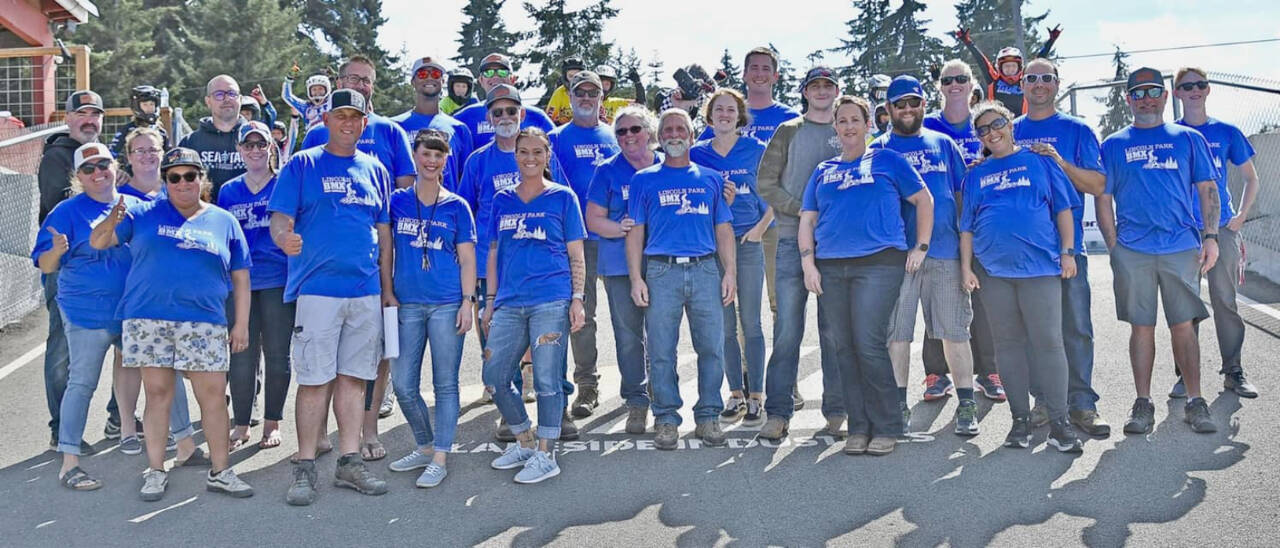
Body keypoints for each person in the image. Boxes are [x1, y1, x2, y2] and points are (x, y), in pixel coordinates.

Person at [90, 147, 255, 500]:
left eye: (190, 175)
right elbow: (99, 241)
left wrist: (240, 323)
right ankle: (155, 470)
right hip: (149, 318)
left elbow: (241, 276)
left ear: (201, 179)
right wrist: (111, 219)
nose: (183, 183)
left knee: (212, 397)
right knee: (158, 394)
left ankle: (221, 471)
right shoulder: (141, 213)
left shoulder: (223, 221)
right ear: (165, 182)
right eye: (174, 177)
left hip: (205, 321)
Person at [269, 89, 393, 505]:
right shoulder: (303, 164)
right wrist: (284, 237)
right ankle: (304, 466)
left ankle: (349, 461)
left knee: (355, 379)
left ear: (364, 122)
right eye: (340, 115)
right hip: (318, 289)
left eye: (355, 117)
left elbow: (383, 233)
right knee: (314, 380)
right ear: (326, 120)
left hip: (365, 291)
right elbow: (281, 217)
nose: (348, 123)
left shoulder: (375, 169)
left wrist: (386, 287)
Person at [800, 95, 933, 455]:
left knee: (869, 342)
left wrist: (920, 246)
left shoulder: (889, 160)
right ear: (835, 128)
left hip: (878, 263)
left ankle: (887, 425)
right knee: (842, 346)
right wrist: (808, 263)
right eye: (841, 121)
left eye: (854, 120)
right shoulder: (823, 169)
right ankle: (858, 426)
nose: (848, 126)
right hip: (831, 266)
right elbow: (808, 219)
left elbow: (924, 200)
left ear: (868, 124)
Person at [1096, 67, 1221, 435]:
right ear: (1128, 99)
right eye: (1138, 93)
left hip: (1180, 246)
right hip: (1133, 249)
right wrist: (1113, 245)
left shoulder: (1188, 139)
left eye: (1153, 91)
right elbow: (1104, 198)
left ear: (1166, 96)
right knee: (1142, 327)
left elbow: (1207, 190)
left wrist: (1210, 237)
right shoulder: (1115, 144)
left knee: (1184, 325)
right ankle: (1143, 403)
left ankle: (1195, 400)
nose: (1146, 98)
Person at [301, 55, 416, 449]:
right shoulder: (317, 135)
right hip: (325, 265)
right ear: (336, 81)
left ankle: (368, 431)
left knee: (374, 350)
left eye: (366, 81)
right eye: (352, 78)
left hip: (380, 255)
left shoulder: (390, 131)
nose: (360, 85)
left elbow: (402, 193)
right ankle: (316, 434)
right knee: (325, 354)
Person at [960, 101, 1083, 452]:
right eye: (982, 130)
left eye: (996, 123)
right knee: (1008, 346)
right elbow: (966, 226)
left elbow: (1063, 208)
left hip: (1040, 269)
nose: (991, 132)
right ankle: (1020, 422)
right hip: (994, 273)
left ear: (1010, 123)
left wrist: (1068, 252)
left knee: (1049, 343)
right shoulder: (976, 175)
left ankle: (1060, 424)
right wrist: (967, 267)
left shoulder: (1040, 162)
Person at [869, 76, 977, 436]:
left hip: (944, 252)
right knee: (897, 334)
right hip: (896, 258)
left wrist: (966, 255)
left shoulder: (943, 144)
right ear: (888, 110)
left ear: (923, 104)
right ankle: (898, 406)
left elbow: (962, 198)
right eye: (899, 104)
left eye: (914, 101)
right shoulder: (878, 149)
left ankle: (966, 404)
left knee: (954, 331)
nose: (907, 109)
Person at [459, 84, 569, 433]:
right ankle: (512, 411)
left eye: (511, 111)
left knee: (550, 340)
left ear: (522, 114)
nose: (505, 117)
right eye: (497, 112)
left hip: (542, 265)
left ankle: (559, 409)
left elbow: (563, 203)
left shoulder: (539, 152)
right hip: (493, 265)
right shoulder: (478, 161)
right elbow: (464, 210)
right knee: (500, 343)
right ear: (488, 118)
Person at [482, 128, 587, 483]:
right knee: (494, 376)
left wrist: (577, 298)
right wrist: (490, 301)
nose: (530, 158)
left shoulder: (563, 197)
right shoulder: (502, 199)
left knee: (545, 379)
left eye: (537, 153)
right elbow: (494, 252)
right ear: (515, 155)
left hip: (551, 299)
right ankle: (525, 438)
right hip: (510, 302)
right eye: (523, 152)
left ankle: (546, 453)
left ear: (547, 156)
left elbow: (576, 252)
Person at [626, 108, 735, 450]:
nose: (674, 134)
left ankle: (708, 416)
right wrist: (635, 278)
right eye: (668, 129)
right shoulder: (644, 180)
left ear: (691, 135)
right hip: (661, 270)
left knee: (711, 348)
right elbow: (635, 232)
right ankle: (667, 419)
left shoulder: (711, 178)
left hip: (705, 269)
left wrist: (729, 270)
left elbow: (723, 228)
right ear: (660, 136)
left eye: (681, 129)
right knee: (661, 350)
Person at [1013, 58, 1111, 436]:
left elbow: (1098, 185)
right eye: (1031, 78)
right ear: (1022, 84)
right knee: (1035, 330)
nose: (1039, 84)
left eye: (1046, 78)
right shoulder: (1009, 129)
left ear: (1057, 84)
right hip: (1025, 251)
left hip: (1067, 248)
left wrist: (1059, 162)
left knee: (1076, 327)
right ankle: (1045, 402)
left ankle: (1082, 404)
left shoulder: (1078, 129)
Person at [34, 143, 140, 490]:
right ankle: (69, 463)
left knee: (153, 374)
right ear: (77, 176)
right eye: (88, 169)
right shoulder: (66, 211)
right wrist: (56, 251)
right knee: (82, 383)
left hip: (130, 309)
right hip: (86, 314)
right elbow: (46, 265)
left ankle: (175, 445)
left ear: (115, 166)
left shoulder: (133, 205)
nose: (98, 173)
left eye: (103, 165)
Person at [756, 67, 845, 439]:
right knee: (788, 330)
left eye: (829, 86)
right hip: (792, 241)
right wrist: (802, 209)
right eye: (815, 86)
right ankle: (777, 412)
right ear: (805, 92)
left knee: (834, 332)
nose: (822, 91)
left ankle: (838, 410)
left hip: (837, 246)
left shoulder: (848, 128)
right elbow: (765, 183)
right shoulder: (789, 131)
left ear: (837, 91)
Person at [386, 130, 476, 488]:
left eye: (439, 156)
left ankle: (440, 455)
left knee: (445, 385)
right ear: (415, 154)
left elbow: (468, 258)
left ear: (447, 159)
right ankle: (424, 445)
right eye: (427, 154)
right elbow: (385, 250)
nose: (432, 161)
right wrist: (387, 291)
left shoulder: (456, 205)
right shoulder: (397, 201)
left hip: (446, 303)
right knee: (403, 384)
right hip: (406, 303)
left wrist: (468, 302)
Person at [1171, 66, 1260, 399]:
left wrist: (1240, 217)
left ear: (1208, 90)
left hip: (1220, 229)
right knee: (1184, 306)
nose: (1194, 90)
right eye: (1187, 85)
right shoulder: (1170, 134)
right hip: (1183, 233)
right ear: (1176, 93)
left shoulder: (1227, 132)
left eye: (1200, 84)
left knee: (1225, 301)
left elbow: (1252, 178)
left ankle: (1233, 370)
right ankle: (1185, 374)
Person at [36, 90, 118, 452]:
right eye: (81, 113)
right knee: (63, 350)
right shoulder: (57, 157)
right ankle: (61, 431)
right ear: (67, 118)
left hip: (110, 269)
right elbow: (60, 211)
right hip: (68, 269)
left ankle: (120, 419)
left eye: (95, 114)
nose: (89, 120)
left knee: (124, 347)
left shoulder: (107, 157)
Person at [921, 59, 1005, 403]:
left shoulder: (985, 125)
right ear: (939, 87)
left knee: (982, 301)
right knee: (935, 303)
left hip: (981, 227)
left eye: (961, 79)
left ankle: (988, 370)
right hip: (939, 229)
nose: (954, 84)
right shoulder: (927, 127)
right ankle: (936, 373)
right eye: (947, 79)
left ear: (973, 85)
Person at [690, 88, 771, 426]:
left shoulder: (756, 150)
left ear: (740, 116)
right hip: (714, 246)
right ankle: (735, 393)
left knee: (750, 320)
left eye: (731, 110)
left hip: (748, 240)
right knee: (723, 325)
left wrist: (760, 229)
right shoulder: (698, 154)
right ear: (709, 117)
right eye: (718, 110)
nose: (724, 115)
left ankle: (757, 396)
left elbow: (773, 194)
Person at [216, 121, 294, 450]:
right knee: (242, 355)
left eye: (260, 144)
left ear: (270, 147)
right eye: (247, 145)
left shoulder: (284, 184)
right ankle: (242, 422)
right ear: (239, 150)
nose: (255, 150)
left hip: (277, 280)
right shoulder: (229, 191)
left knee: (277, 355)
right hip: (241, 283)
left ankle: (272, 422)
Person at [585, 106, 661, 434]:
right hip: (617, 265)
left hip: (661, 262)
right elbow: (594, 219)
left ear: (649, 132)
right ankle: (636, 399)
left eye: (635, 129)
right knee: (629, 336)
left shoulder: (666, 164)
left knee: (662, 333)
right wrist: (621, 228)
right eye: (621, 132)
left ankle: (663, 395)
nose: (629, 136)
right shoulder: (607, 171)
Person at [549, 71, 620, 419]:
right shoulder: (556, 138)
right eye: (580, 92)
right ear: (570, 96)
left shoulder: (615, 135)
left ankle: (642, 382)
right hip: (576, 239)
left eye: (593, 92)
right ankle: (587, 385)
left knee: (629, 313)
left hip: (615, 236)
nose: (587, 97)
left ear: (602, 98)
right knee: (581, 314)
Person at [390, 56, 475, 193]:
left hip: (447, 210)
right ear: (413, 81)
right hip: (406, 211)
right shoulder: (394, 126)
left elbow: (468, 181)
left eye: (435, 74)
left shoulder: (459, 129)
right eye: (422, 74)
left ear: (442, 81)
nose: (429, 78)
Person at [452, 52, 555, 151]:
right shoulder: (464, 118)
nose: (495, 76)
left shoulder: (537, 117)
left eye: (502, 72)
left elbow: (557, 153)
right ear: (481, 81)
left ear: (513, 79)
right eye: (488, 72)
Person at [955, 25, 1062, 116]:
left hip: (1021, 126)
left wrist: (1051, 40)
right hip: (998, 127)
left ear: (1020, 67)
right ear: (1000, 68)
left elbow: (1039, 59)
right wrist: (967, 41)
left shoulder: (1025, 79)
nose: (1010, 69)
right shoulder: (994, 80)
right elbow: (981, 61)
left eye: (1013, 66)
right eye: (1006, 66)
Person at [179, 75, 248, 201]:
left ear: (241, 99)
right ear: (208, 101)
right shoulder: (190, 143)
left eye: (232, 94)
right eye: (219, 94)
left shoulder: (259, 140)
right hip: (204, 216)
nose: (227, 99)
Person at [109, 85, 168, 160]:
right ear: (137, 107)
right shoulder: (127, 130)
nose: (149, 108)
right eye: (145, 104)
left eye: (152, 104)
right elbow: (112, 153)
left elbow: (168, 157)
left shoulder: (161, 132)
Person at [546, 57, 587, 125]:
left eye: (577, 76)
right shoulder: (559, 93)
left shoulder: (590, 91)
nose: (574, 79)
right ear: (565, 77)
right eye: (571, 76)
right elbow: (549, 118)